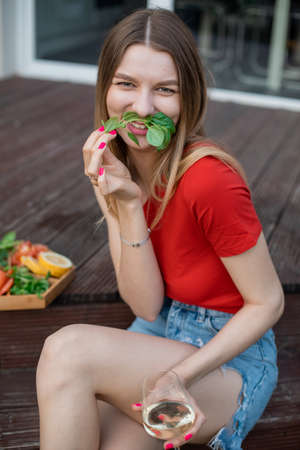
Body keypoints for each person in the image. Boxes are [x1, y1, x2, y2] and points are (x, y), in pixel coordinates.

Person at [36, 8, 284, 450]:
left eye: (164, 89)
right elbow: (147, 305)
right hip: (159, 333)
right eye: (127, 84)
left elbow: (267, 303)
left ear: (187, 97)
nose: (143, 107)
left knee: (67, 351)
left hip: (230, 358)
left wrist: (177, 377)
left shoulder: (210, 179)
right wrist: (126, 205)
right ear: (105, 87)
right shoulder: (114, 166)